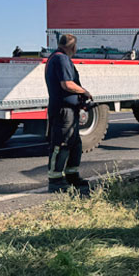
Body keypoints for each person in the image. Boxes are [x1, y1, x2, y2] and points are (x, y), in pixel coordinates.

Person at [45, 34, 92, 193]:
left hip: (69, 110)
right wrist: (84, 92)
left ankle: (72, 175)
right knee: (62, 143)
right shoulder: (61, 59)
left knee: (74, 143)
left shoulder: (57, 58)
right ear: (73, 46)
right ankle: (55, 179)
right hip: (63, 110)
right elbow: (67, 84)